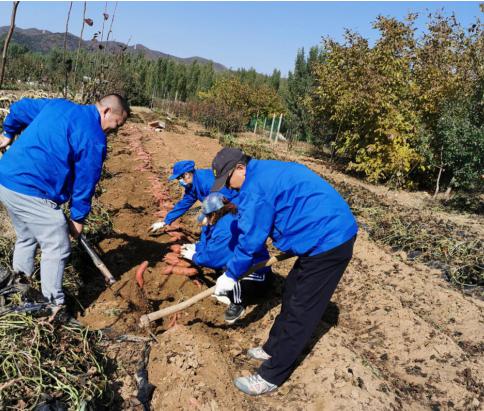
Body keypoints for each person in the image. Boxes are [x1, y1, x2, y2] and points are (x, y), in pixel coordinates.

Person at [210, 147, 358, 396]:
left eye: (227, 180)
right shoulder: (261, 172)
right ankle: (272, 348)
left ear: (240, 168)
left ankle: (271, 376)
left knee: (302, 310)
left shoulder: (257, 187)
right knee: (290, 292)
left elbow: (251, 239)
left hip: (330, 239)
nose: (228, 186)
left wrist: (231, 274)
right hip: (317, 233)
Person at [0, 94, 130, 313]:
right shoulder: (93, 137)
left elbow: (20, 108)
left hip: (6, 180)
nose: (114, 130)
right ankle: (53, 306)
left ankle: (19, 291)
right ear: (106, 111)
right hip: (31, 189)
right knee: (58, 244)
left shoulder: (58, 106)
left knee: (27, 236)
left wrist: (7, 133)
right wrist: (78, 218)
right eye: (116, 124)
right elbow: (85, 182)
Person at [180, 192, 272, 324]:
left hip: (257, 273)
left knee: (235, 276)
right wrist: (196, 247)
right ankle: (232, 291)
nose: (206, 219)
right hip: (241, 261)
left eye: (208, 216)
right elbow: (211, 244)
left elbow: (214, 257)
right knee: (229, 270)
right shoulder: (221, 220)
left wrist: (194, 256)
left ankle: (238, 303)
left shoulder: (226, 227)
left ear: (215, 213)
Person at [149, 160, 236, 234]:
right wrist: (165, 222)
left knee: (221, 228)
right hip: (220, 206)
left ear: (186, 174)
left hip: (234, 206)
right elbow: (184, 204)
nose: (179, 181)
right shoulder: (192, 185)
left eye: (179, 178)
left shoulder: (207, 182)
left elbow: (227, 202)